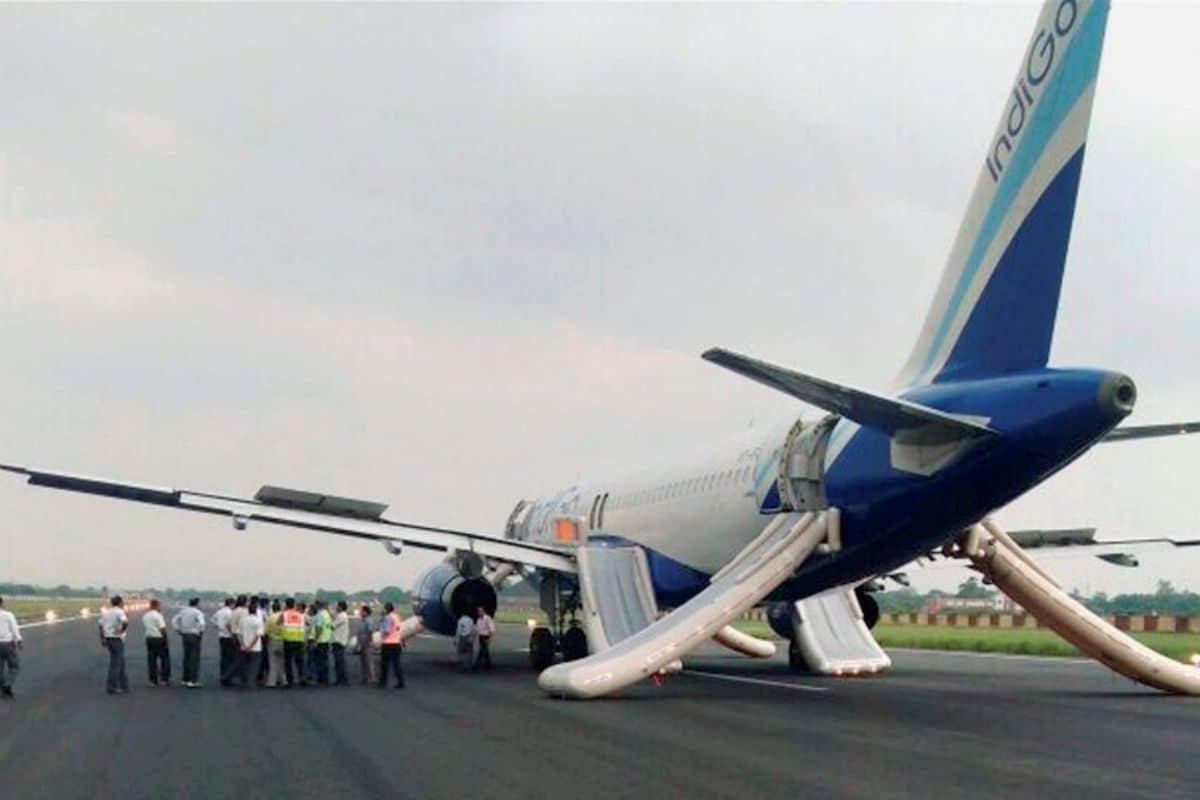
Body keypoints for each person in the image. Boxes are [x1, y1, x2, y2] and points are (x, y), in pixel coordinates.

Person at [98, 595, 130, 695]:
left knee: (120, 662)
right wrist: (121, 630)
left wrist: (102, 638)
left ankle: (124, 685)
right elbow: (125, 622)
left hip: (108, 638)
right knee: (116, 664)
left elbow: (100, 625)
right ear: (120, 603)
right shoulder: (119, 611)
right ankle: (112, 687)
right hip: (116, 639)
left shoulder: (106, 612)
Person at [171, 597, 206, 688]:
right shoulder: (198, 612)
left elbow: (174, 620)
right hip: (194, 635)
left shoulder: (183, 611)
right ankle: (192, 680)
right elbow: (202, 623)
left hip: (185, 634)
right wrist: (200, 631)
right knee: (194, 658)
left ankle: (185, 678)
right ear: (197, 604)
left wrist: (178, 630)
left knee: (187, 657)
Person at [235, 599, 264, 689]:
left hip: (244, 646)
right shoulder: (258, 621)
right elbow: (258, 635)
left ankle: (244, 682)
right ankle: (251, 683)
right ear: (256, 610)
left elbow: (238, 634)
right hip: (255, 648)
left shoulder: (243, 620)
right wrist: (251, 646)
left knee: (244, 665)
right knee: (254, 666)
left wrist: (243, 645)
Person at [221, 595, 249, 687]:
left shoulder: (233, 611)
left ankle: (241, 677)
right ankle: (227, 676)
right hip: (242, 636)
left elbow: (228, 624)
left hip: (234, 635)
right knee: (241, 659)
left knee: (238, 658)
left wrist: (233, 634)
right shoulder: (244, 612)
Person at [142, 598, 171, 686]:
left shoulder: (145, 616)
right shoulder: (158, 616)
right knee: (164, 659)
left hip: (149, 638)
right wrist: (166, 639)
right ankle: (164, 679)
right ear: (156, 606)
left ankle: (153, 680)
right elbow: (162, 628)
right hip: (159, 638)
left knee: (152, 660)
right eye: (159, 605)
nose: (160, 607)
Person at [377, 602, 405, 689]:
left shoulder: (387, 617)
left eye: (384, 608)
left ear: (387, 609)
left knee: (384, 664)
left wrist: (381, 622)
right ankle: (401, 682)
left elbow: (386, 630)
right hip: (396, 642)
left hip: (388, 643)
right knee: (396, 664)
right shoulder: (397, 617)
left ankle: (382, 682)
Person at [280, 598, 306, 687]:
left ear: (286, 605)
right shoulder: (300, 614)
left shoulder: (284, 614)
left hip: (288, 640)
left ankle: (290, 681)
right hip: (299, 639)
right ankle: (302, 678)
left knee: (288, 662)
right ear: (294, 604)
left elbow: (278, 622)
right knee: (300, 661)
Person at [0, 596, 22, 699]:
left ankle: (3, 689)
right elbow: (14, 629)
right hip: (7, 644)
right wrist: (19, 640)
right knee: (14, 666)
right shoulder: (8, 615)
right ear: (2, 603)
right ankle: (7, 685)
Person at [212, 597, 235, 685]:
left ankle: (223, 675)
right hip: (228, 636)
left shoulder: (219, 611)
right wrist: (232, 633)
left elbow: (213, 620)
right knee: (229, 658)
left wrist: (219, 626)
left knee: (223, 657)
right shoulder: (229, 612)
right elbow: (228, 624)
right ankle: (227, 677)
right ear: (231, 604)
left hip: (221, 635)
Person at [311, 601, 333, 686]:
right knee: (324, 661)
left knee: (319, 661)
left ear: (318, 606)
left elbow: (318, 628)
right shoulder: (327, 614)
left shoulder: (320, 615)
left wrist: (316, 640)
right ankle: (325, 679)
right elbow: (330, 627)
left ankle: (320, 679)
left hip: (320, 640)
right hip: (326, 639)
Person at [265, 600, 286, 688]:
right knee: (281, 662)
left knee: (272, 662)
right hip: (283, 640)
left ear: (272, 609)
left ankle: (272, 681)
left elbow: (266, 631)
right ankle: (283, 680)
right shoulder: (284, 617)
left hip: (272, 640)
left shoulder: (270, 618)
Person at [331, 601, 350, 686]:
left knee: (340, 662)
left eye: (338, 606)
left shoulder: (342, 616)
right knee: (339, 662)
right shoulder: (341, 615)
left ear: (341, 607)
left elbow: (332, 625)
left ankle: (342, 680)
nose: (336, 608)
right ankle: (341, 679)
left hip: (339, 641)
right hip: (339, 640)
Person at [356, 605, 376, 685]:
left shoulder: (369, 621)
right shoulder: (362, 621)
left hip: (367, 643)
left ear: (366, 612)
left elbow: (370, 632)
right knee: (363, 661)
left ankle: (372, 678)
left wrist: (369, 641)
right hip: (362, 642)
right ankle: (365, 677)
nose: (360, 613)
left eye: (362, 611)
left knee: (368, 661)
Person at [474, 606, 495, 672]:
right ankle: (488, 666)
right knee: (485, 652)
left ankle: (476, 666)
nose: (479, 612)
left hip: (486, 636)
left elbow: (492, 629)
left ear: (484, 611)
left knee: (482, 651)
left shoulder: (487, 618)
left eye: (480, 611)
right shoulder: (478, 619)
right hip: (481, 637)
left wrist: (489, 638)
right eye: (478, 611)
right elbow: (477, 629)